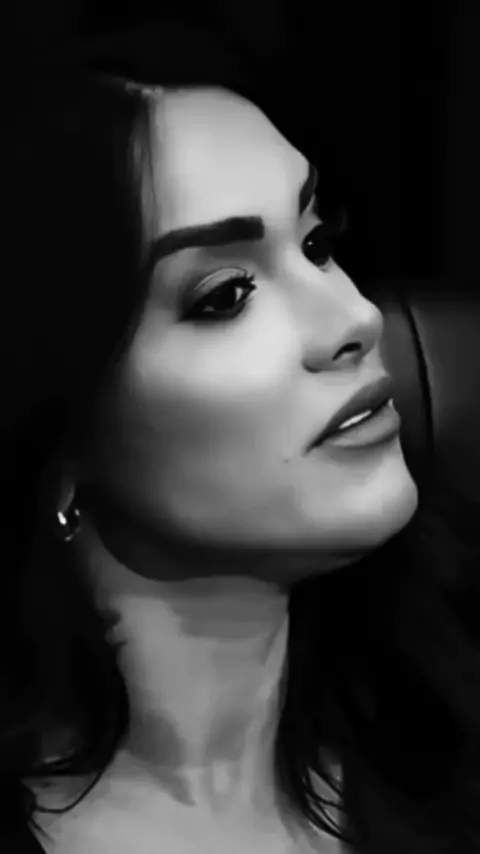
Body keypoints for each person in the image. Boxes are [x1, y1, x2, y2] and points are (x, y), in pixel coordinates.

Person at [3, 19, 480, 854]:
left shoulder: (445, 711)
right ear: (61, 434)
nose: (355, 317)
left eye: (317, 243)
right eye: (225, 295)